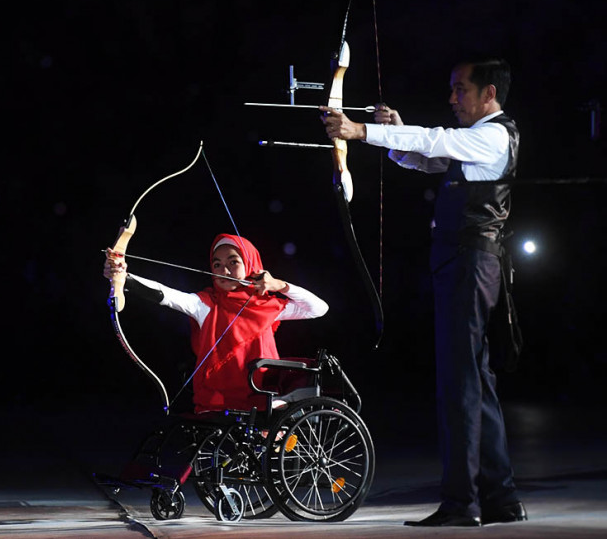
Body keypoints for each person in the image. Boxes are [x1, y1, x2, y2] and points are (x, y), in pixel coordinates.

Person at [322, 58, 526, 527]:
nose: (452, 98)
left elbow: (435, 140)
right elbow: (425, 156)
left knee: (460, 384)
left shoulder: (494, 134)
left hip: (470, 263)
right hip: (467, 263)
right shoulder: (479, 140)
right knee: (476, 380)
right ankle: (501, 499)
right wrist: (390, 130)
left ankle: (462, 503)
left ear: (488, 93)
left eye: (460, 90)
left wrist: (358, 132)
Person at [103, 233, 328, 413]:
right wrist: (125, 278)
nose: (224, 270)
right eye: (217, 264)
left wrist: (279, 285)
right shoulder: (207, 305)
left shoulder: (266, 306)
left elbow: (319, 309)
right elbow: (168, 295)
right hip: (217, 399)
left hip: (262, 395)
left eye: (233, 262)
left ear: (252, 265)